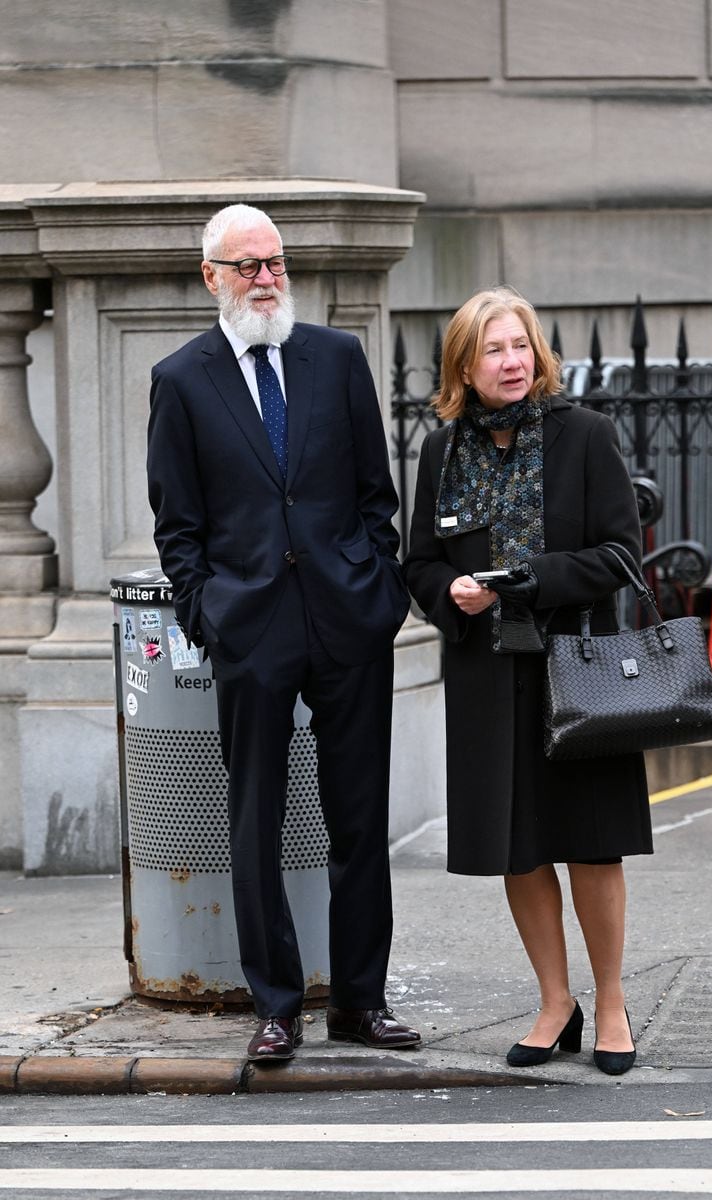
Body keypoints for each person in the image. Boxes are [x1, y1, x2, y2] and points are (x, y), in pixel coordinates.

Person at [147, 203, 419, 1062]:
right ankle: (276, 1004)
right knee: (254, 821)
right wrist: (209, 613)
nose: (267, 278)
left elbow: (377, 494)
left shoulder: (335, 357)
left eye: (275, 262)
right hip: (249, 631)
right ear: (212, 278)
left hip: (347, 621)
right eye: (248, 265)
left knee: (358, 820)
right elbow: (176, 525)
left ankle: (360, 1001)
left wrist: (378, 589)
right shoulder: (181, 379)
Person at [403, 286, 653, 1075]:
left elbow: (620, 557)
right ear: (464, 368)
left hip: (577, 668)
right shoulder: (442, 451)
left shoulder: (585, 436)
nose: (511, 363)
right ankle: (555, 1002)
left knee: (591, 844)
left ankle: (610, 1002)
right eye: (492, 351)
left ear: (538, 354)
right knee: (519, 849)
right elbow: (418, 563)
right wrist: (452, 592)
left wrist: (521, 580)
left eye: (520, 347)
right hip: (487, 673)